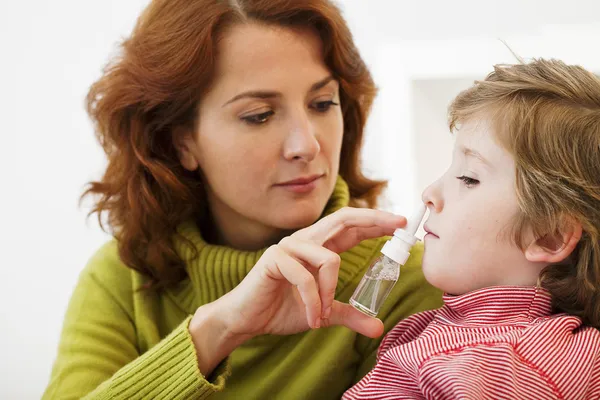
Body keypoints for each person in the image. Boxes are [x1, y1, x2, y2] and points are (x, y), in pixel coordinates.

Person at [42, 1, 443, 398]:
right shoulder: (122, 274)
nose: (306, 145)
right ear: (181, 142)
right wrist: (221, 328)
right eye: (259, 115)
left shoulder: (410, 281)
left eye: (322, 104)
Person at [343, 58, 600, 399]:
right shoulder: (473, 344)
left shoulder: (502, 367)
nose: (430, 194)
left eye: (468, 178)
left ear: (549, 235)